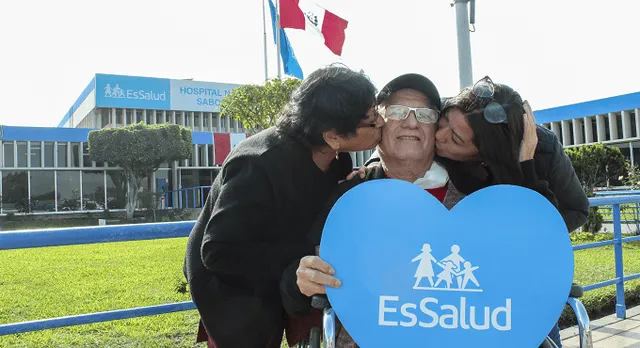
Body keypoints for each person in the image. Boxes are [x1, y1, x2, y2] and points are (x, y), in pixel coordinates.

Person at [182, 65, 384, 348]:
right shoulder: (258, 164)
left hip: (289, 274)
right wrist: (309, 253)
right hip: (234, 285)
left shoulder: (337, 160)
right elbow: (218, 252)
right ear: (333, 136)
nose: (383, 123)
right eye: (373, 121)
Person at [279, 73, 466, 347]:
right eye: (397, 111)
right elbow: (299, 283)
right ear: (378, 124)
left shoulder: (473, 198)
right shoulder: (347, 197)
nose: (411, 122)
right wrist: (303, 280)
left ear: (436, 129)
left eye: (425, 114)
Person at [433, 76, 590, 347]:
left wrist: (527, 166)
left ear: (484, 153)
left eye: (455, 138)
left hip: (525, 273)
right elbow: (400, 148)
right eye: (444, 120)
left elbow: (577, 210)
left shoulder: (543, 149)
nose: (439, 135)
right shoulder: (437, 136)